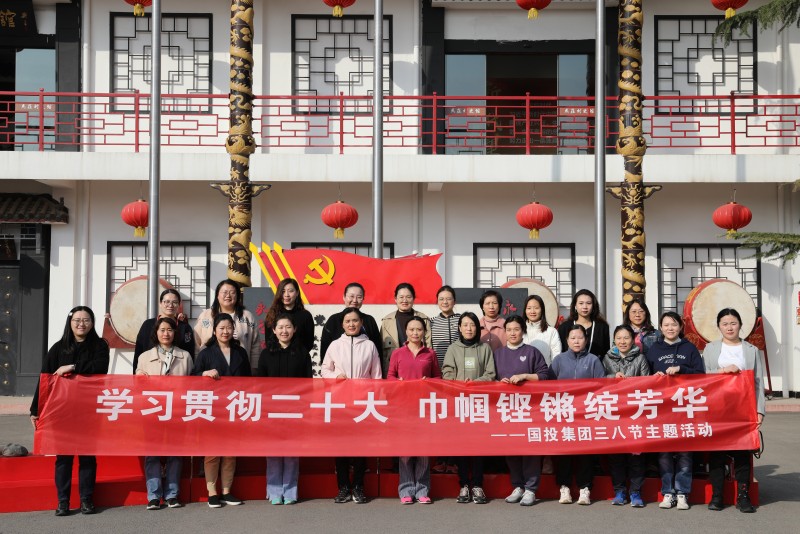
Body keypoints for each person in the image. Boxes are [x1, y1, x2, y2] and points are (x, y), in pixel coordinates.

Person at [29, 306, 110, 516]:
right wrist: (36, 409)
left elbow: (99, 368)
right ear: (70, 322)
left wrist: (71, 367)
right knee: (63, 458)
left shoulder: (100, 346)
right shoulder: (58, 348)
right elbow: (45, 379)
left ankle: (86, 500)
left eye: (86, 320)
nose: (81, 324)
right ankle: (63, 501)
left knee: (87, 457)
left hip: (89, 411)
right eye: (77, 320)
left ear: (92, 323)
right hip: (62, 411)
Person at [703, 308, 764, 513]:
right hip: (716, 408)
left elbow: (758, 382)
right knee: (717, 453)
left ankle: (743, 497)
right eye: (725, 324)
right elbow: (702, 376)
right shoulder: (711, 349)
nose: (729, 327)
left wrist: (759, 411)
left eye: (733, 323)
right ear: (719, 327)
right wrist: (722, 370)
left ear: (740, 325)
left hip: (743, 409)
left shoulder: (751, 350)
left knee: (742, 453)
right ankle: (717, 496)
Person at [321, 308, 382, 504]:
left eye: (355, 321)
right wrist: (335, 376)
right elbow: (324, 370)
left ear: (361, 322)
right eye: (347, 321)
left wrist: (374, 399)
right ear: (342, 324)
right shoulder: (335, 345)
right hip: (340, 401)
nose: (351, 324)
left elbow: (377, 375)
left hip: (363, 403)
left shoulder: (370, 345)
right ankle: (343, 487)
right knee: (341, 447)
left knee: (360, 447)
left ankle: (358, 486)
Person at [646, 311, 704, 511]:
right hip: (662, 410)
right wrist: (655, 377)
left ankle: (682, 493)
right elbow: (645, 377)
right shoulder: (654, 349)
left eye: (674, 324)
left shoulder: (690, 348)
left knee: (685, 453)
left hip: (684, 409)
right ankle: (667, 492)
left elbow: (701, 375)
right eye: (666, 325)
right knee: (664, 453)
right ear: (660, 328)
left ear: (680, 327)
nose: (670, 328)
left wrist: (682, 369)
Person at [193, 313, 252, 508]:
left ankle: (227, 491)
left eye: (229, 327)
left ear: (233, 329)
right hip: (213, 409)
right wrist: (204, 373)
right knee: (212, 453)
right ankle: (212, 492)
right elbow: (193, 377)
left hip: (234, 408)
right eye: (221, 328)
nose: (225, 331)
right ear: (214, 330)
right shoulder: (206, 353)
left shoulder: (240, 352)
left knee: (230, 453)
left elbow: (249, 380)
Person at [136, 316, 194, 510]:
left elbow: (192, 384)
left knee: (175, 453)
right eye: (162, 330)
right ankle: (153, 495)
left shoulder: (185, 356)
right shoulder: (145, 357)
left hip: (177, 411)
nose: (166, 333)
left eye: (169, 330)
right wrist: (138, 377)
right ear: (156, 333)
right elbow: (137, 386)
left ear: (175, 333)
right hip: (152, 410)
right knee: (152, 453)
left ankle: (172, 494)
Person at [257, 313, 313, 505]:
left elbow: (308, 383)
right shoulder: (266, 354)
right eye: (280, 327)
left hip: (294, 410)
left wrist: (305, 408)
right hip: (272, 411)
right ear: (273, 330)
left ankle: (290, 491)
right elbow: (261, 385)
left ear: (294, 329)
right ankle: (274, 492)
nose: (284, 331)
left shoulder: (302, 353)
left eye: (288, 327)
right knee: (273, 452)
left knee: (291, 453)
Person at [442, 312, 496, 504]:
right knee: (462, 445)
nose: (468, 328)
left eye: (472, 324)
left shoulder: (485, 348)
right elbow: (446, 373)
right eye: (465, 325)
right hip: (459, 404)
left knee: (479, 446)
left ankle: (478, 485)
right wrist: (459, 383)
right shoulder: (452, 349)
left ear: (477, 327)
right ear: (459, 328)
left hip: (480, 404)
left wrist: (474, 383)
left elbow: (491, 374)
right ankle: (464, 484)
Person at [494, 315, 548, 507]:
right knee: (511, 448)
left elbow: (544, 375)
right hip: (507, 409)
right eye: (509, 330)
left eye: (516, 329)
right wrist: (499, 383)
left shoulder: (532, 352)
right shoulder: (498, 354)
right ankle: (518, 486)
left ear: (523, 331)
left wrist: (525, 376)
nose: (513, 333)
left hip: (530, 409)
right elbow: (490, 378)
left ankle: (531, 489)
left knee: (530, 449)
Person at [387, 316, 441, 504]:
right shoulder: (397, 353)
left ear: (424, 332)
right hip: (403, 408)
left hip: (424, 408)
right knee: (406, 452)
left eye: (419, 329)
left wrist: (429, 382)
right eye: (411, 329)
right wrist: (398, 382)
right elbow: (390, 377)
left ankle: (422, 490)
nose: (415, 333)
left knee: (423, 452)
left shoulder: (430, 353)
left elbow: (438, 378)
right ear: (406, 332)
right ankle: (406, 490)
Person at [550, 324, 605, 506]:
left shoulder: (593, 360)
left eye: (580, 338)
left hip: (586, 415)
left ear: (586, 340)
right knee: (564, 452)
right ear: (566, 340)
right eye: (572, 338)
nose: (576, 341)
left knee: (585, 454)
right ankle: (564, 487)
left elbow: (601, 387)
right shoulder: (558, 360)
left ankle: (585, 488)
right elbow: (548, 386)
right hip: (563, 414)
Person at [603, 324, 650, 508]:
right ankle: (620, 491)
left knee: (636, 457)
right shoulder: (607, 358)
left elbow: (647, 384)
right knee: (616, 457)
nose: (622, 341)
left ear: (633, 340)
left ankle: (636, 492)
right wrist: (611, 377)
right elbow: (599, 381)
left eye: (626, 338)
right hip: (614, 414)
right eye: (619, 338)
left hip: (635, 414)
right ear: (614, 340)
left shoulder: (641, 358)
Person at [194, 279, 260, 371]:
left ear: (238, 296)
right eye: (224, 292)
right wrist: (198, 365)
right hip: (209, 368)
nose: (228, 295)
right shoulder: (205, 316)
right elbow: (196, 343)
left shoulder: (247, 317)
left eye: (232, 292)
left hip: (239, 368)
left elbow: (255, 346)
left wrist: (254, 368)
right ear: (217, 295)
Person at [429, 285, 461, 474]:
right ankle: (441, 459)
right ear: (437, 302)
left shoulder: (461, 320)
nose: (445, 302)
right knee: (441, 420)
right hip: (439, 379)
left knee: (456, 421)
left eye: (448, 298)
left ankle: (454, 461)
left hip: (459, 378)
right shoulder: (431, 322)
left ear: (454, 301)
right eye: (441, 299)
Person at [132, 288, 194, 373]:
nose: (170, 305)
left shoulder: (185, 327)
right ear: (160, 303)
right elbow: (138, 352)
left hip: (177, 372)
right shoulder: (148, 325)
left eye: (175, 302)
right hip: (151, 373)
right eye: (166, 302)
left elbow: (190, 353)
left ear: (179, 305)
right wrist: (137, 373)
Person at [320, 282, 381, 363]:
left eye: (359, 297)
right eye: (351, 296)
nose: (355, 300)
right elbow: (325, 351)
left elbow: (377, 350)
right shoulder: (333, 320)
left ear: (363, 299)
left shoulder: (369, 320)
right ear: (344, 297)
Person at [380, 283, 431, 378]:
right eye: (401, 297)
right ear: (395, 299)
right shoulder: (386, 322)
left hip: (419, 373)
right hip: (394, 374)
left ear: (414, 299)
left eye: (408, 297)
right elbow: (382, 352)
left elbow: (429, 347)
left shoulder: (424, 319)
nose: (405, 300)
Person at [263, 278, 315, 355]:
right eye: (283, 291)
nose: (286, 295)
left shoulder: (305, 316)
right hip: (276, 357)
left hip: (299, 358)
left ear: (297, 293)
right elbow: (269, 341)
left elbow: (309, 343)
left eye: (290, 291)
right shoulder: (272, 314)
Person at [557, 289, 610, 359]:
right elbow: (561, 352)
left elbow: (606, 353)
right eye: (581, 303)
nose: (585, 307)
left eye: (588, 303)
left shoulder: (602, 327)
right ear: (575, 306)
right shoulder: (564, 327)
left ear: (593, 306)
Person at [522, 294, 562, 365]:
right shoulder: (519, 331)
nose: (532, 311)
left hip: (545, 371)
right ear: (525, 310)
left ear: (542, 310)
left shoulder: (551, 332)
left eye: (536, 308)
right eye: (529, 308)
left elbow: (556, 357)